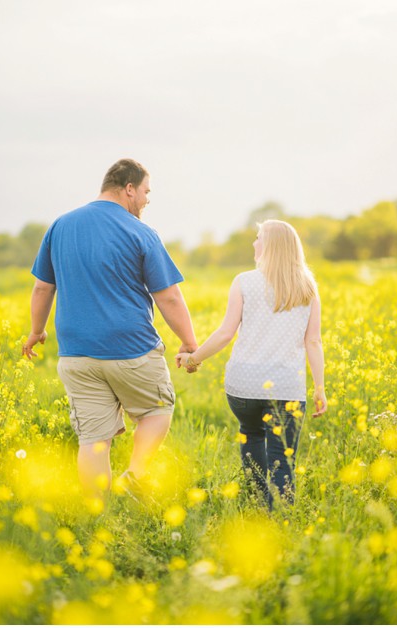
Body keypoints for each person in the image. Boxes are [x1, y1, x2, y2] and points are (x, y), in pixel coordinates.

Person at [22, 158, 199, 499]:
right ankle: (135, 474)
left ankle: (96, 516)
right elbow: (169, 297)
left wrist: (36, 331)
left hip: (76, 356)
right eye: (146, 191)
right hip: (131, 349)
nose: (147, 200)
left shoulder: (60, 226)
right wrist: (189, 342)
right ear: (129, 188)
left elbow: (43, 287)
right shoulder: (140, 232)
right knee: (157, 409)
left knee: (93, 440)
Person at [175, 220, 327, 509]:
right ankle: (280, 519)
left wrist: (193, 359)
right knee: (283, 458)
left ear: (269, 246)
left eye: (258, 238)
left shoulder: (244, 281)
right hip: (287, 389)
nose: (254, 244)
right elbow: (314, 342)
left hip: (244, 385)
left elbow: (225, 334)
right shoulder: (308, 286)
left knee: (253, 436)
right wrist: (319, 388)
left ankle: (258, 503)